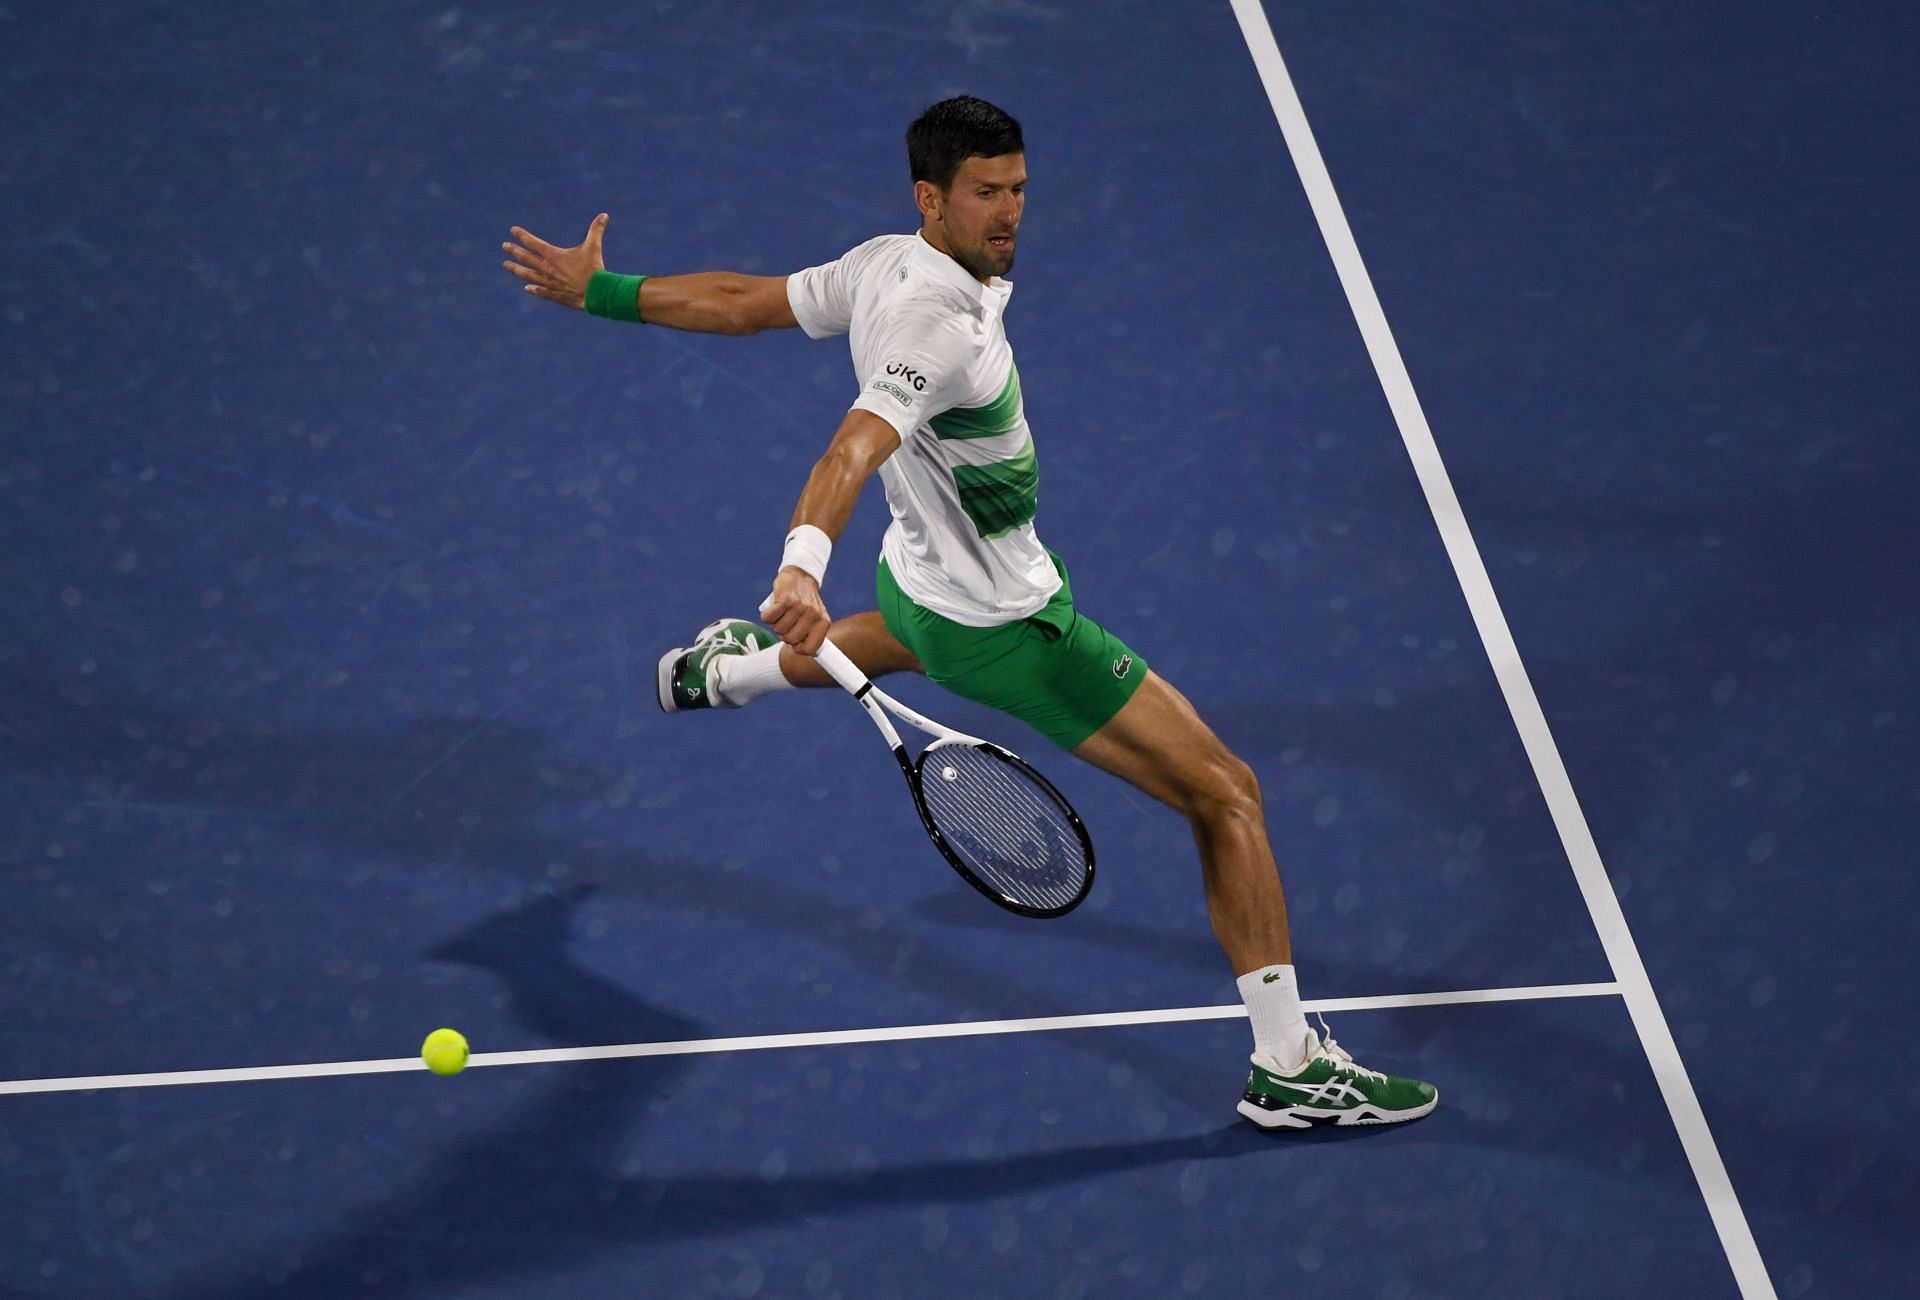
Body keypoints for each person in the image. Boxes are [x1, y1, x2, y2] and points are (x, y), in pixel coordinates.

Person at [503, 95, 1436, 1130]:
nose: (1009, 213)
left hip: (924, 586)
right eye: (986, 194)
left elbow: (743, 300)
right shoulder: (933, 324)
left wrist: (607, 293)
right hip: (1012, 630)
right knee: (1227, 795)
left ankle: (718, 671)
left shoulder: (878, 263)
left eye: (1019, 190)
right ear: (930, 196)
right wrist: (802, 567)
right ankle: (1290, 1065)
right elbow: (851, 449)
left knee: (903, 638)